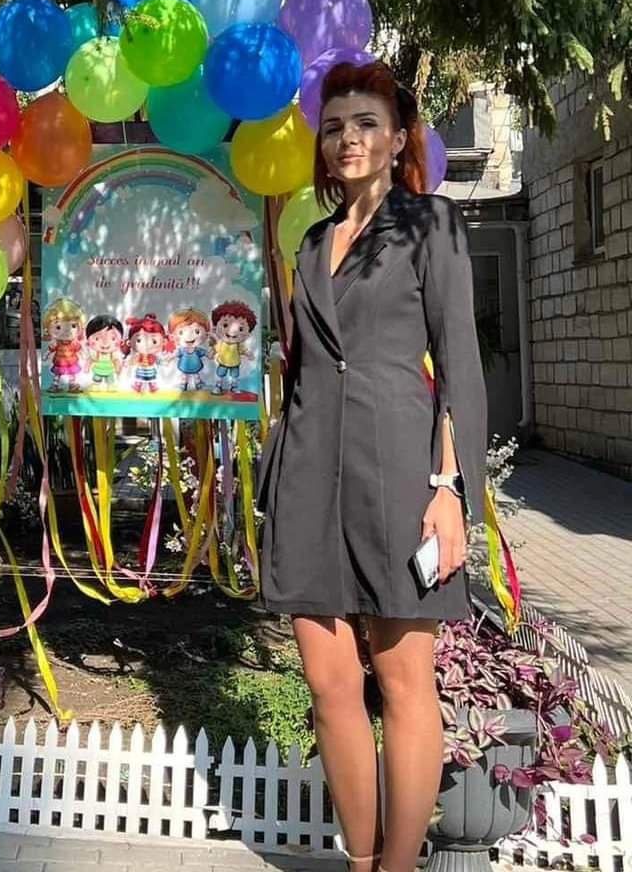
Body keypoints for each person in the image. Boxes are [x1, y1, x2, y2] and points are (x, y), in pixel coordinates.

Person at [257, 61, 486, 872]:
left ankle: (398, 866)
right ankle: (360, 862)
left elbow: (459, 366)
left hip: (398, 468)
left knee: (403, 682)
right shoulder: (311, 242)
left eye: (365, 124)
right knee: (328, 685)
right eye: (333, 127)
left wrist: (450, 490)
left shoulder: (432, 225)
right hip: (309, 469)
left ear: (396, 140)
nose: (347, 138)